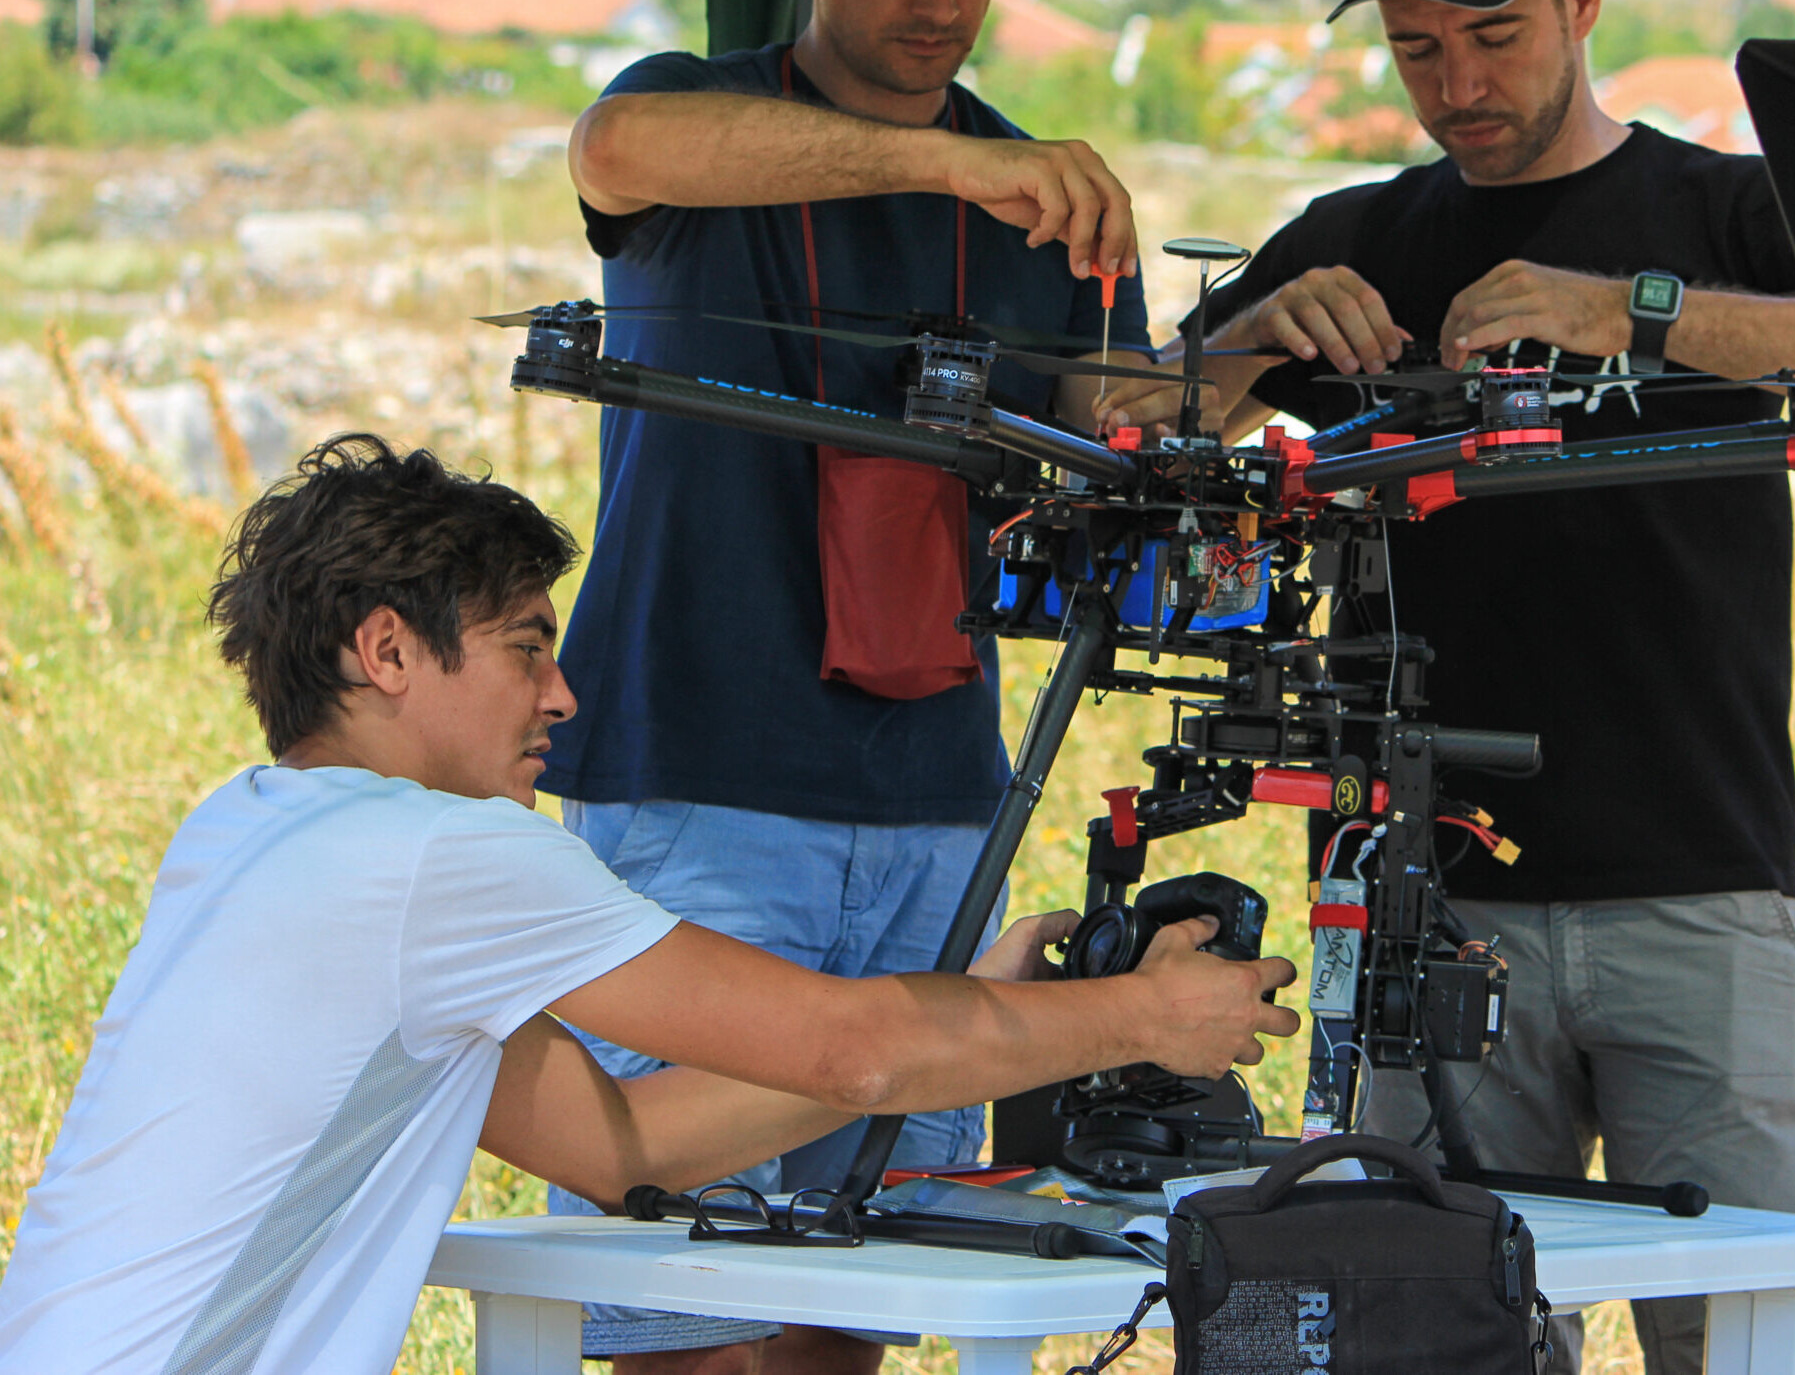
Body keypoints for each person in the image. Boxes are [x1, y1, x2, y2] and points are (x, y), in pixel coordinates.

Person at [1099, 0, 1795, 1375]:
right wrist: (1256, 336)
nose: (1454, 80)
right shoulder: (1359, 236)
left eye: (1495, 35)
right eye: (1416, 47)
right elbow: (1102, 411)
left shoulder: (1716, 210)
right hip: (1415, 905)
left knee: (1746, 1338)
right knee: (1421, 1334)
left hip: (1698, 879)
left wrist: (1630, 311)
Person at [0, 436, 1296, 1375]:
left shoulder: (253, 828)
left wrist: (998, 1010)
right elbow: (855, 1045)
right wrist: (1143, 1016)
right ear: (388, 652)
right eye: (527, 649)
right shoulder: (438, 856)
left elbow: (621, 1146)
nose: (561, 700)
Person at [545, 0, 1162, 1375]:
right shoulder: (698, 120)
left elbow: (1122, 442)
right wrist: (954, 163)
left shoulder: (1050, 207)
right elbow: (612, 153)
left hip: (942, 795)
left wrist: (1229, 372)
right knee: (667, 1305)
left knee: (859, 1297)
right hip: (694, 780)